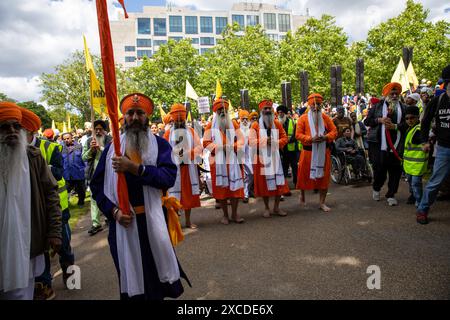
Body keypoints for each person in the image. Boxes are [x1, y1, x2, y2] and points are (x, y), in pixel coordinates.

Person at [90, 93, 189, 300]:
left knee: (155, 283)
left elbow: (168, 177)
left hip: (152, 222)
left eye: (140, 113)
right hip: (122, 225)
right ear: (124, 117)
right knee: (130, 279)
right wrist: (114, 211)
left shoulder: (161, 145)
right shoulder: (111, 150)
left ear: (147, 117)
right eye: (130, 113)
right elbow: (97, 186)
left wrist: (136, 169)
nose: (135, 117)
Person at [0, 102, 61, 300]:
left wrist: (55, 231)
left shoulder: (34, 157)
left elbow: (51, 194)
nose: (11, 131)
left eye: (16, 126)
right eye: (4, 126)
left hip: (27, 240)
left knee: (21, 293)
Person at [20, 108, 74, 300]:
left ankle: (71, 274)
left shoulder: (51, 147)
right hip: (34, 214)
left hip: (58, 208)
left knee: (64, 246)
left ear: (31, 131)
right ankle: (44, 286)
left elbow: (59, 173)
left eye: (22, 129)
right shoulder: (13, 150)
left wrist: (40, 167)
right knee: (40, 251)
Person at [416, 65, 450, 224]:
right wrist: (424, 141)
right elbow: (425, 122)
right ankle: (422, 209)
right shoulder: (438, 101)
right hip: (444, 148)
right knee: (435, 181)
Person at [203, 99, 245, 225]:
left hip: (233, 161)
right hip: (218, 162)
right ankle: (225, 215)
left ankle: (234, 214)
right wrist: (219, 148)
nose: (222, 112)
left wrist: (233, 147)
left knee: (235, 190)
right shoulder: (210, 126)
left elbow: (242, 140)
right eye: (220, 110)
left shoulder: (234, 124)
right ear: (216, 112)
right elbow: (206, 143)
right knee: (222, 190)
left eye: (224, 110)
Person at [364, 82, 407, 206]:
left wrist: (396, 126)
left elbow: (408, 124)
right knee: (379, 171)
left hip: (397, 145)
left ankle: (391, 194)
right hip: (379, 145)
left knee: (395, 171)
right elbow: (367, 121)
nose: (394, 95)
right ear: (386, 94)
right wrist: (379, 120)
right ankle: (376, 188)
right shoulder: (377, 106)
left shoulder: (403, 108)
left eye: (396, 93)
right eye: (392, 93)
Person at [296, 94, 338, 212]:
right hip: (307, 152)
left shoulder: (325, 118)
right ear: (309, 105)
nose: (316, 106)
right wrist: (310, 139)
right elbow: (298, 135)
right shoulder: (302, 118)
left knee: (324, 178)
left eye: (318, 104)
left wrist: (325, 137)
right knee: (303, 176)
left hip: (323, 152)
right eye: (313, 104)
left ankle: (322, 203)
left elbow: (334, 131)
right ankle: (302, 194)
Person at [163, 103, 202, 229]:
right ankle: (176, 222)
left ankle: (188, 221)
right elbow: (164, 151)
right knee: (174, 197)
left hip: (188, 168)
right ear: (173, 119)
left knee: (188, 195)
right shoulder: (168, 133)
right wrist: (176, 154)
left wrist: (188, 154)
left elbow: (199, 147)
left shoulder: (191, 131)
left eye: (182, 118)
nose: (179, 120)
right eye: (177, 119)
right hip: (175, 169)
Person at [250, 100, 289, 217]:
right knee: (263, 184)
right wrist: (263, 141)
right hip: (261, 158)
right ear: (261, 111)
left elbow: (284, 138)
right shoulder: (255, 125)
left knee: (279, 183)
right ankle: (267, 208)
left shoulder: (277, 123)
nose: (267, 111)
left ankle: (276, 207)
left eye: (269, 109)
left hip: (275, 157)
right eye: (265, 109)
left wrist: (275, 142)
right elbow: (251, 142)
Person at [82, 119, 112, 235]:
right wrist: (91, 150)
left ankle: (109, 216)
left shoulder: (110, 140)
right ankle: (96, 224)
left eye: (100, 129)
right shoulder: (89, 141)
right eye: (96, 129)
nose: (98, 131)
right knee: (94, 199)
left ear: (104, 130)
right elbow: (84, 158)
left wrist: (101, 149)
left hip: (107, 173)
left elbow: (112, 154)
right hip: (93, 174)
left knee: (108, 195)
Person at [403, 106, 428, 207]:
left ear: (418, 117)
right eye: (407, 118)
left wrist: (424, 142)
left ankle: (420, 202)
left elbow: (420, 137)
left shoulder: (418, 129)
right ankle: (414, 196)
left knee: (416, 184)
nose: (409, 120)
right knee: (411, 182)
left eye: (412, 118)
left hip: (418, 165)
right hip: (409, 164)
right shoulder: (409, 129)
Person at [277, 104, 300, 194]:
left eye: (281, 112)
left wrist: (290, 140)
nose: (280, 114)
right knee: (284, 168)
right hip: (282, 150)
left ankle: (296, 183)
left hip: (292, 149)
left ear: (285, 113)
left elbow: (296, 135)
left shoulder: (292, 122)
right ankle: (285, 186)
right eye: (278, 112)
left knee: (294, 167)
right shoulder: (276, 123)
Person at [61, 132, 86, 206]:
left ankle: (81, 202)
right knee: (65, 190)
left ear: (72, 138)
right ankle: (65, 204)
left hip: (78, 172)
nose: (66, 140)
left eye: (68, 138)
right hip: (67, 173)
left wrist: (84, 169)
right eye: (64, 139)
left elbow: (84, 159)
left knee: (81, 190)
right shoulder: (61, 148)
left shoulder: (79, 146)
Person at [239, 109, 254, 203]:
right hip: (242, 157)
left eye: (246, 119)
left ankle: (247, 192)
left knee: (251, 175)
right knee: (245, 175)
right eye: (243, 119)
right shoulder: (238, 131)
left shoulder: (251, 130)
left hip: (251, 157)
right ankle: (245, 194)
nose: (245, 121)